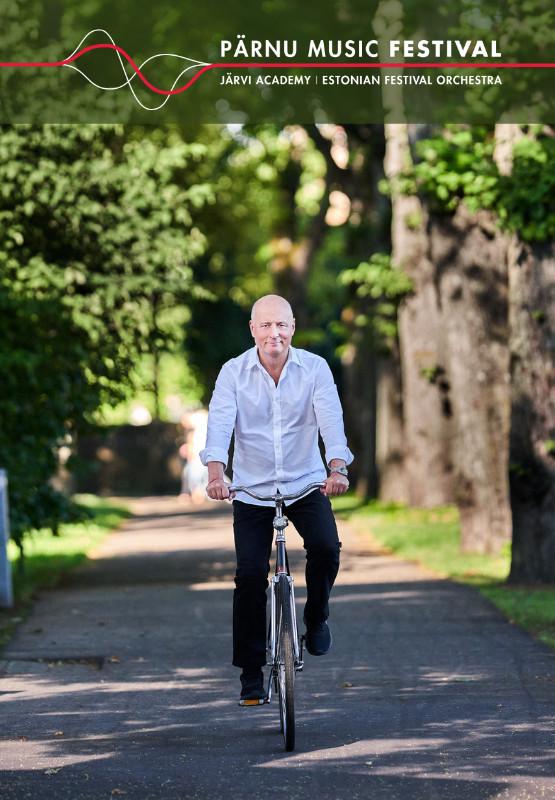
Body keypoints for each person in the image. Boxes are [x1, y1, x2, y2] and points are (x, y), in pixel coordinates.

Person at [199, 294, 353, 703]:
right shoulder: (233, 373)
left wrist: (337, 468)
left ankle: (316, 617)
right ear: (253, 330)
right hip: (251, 489)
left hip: (305, 482)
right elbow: (220, 425)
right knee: (249, 575)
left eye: (281, 325)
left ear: (293, 328)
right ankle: (251, 672)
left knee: (326, 548)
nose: (274, 333)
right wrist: (216, 474)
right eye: (266, 325)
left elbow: (331, 421)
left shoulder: (315, 369)